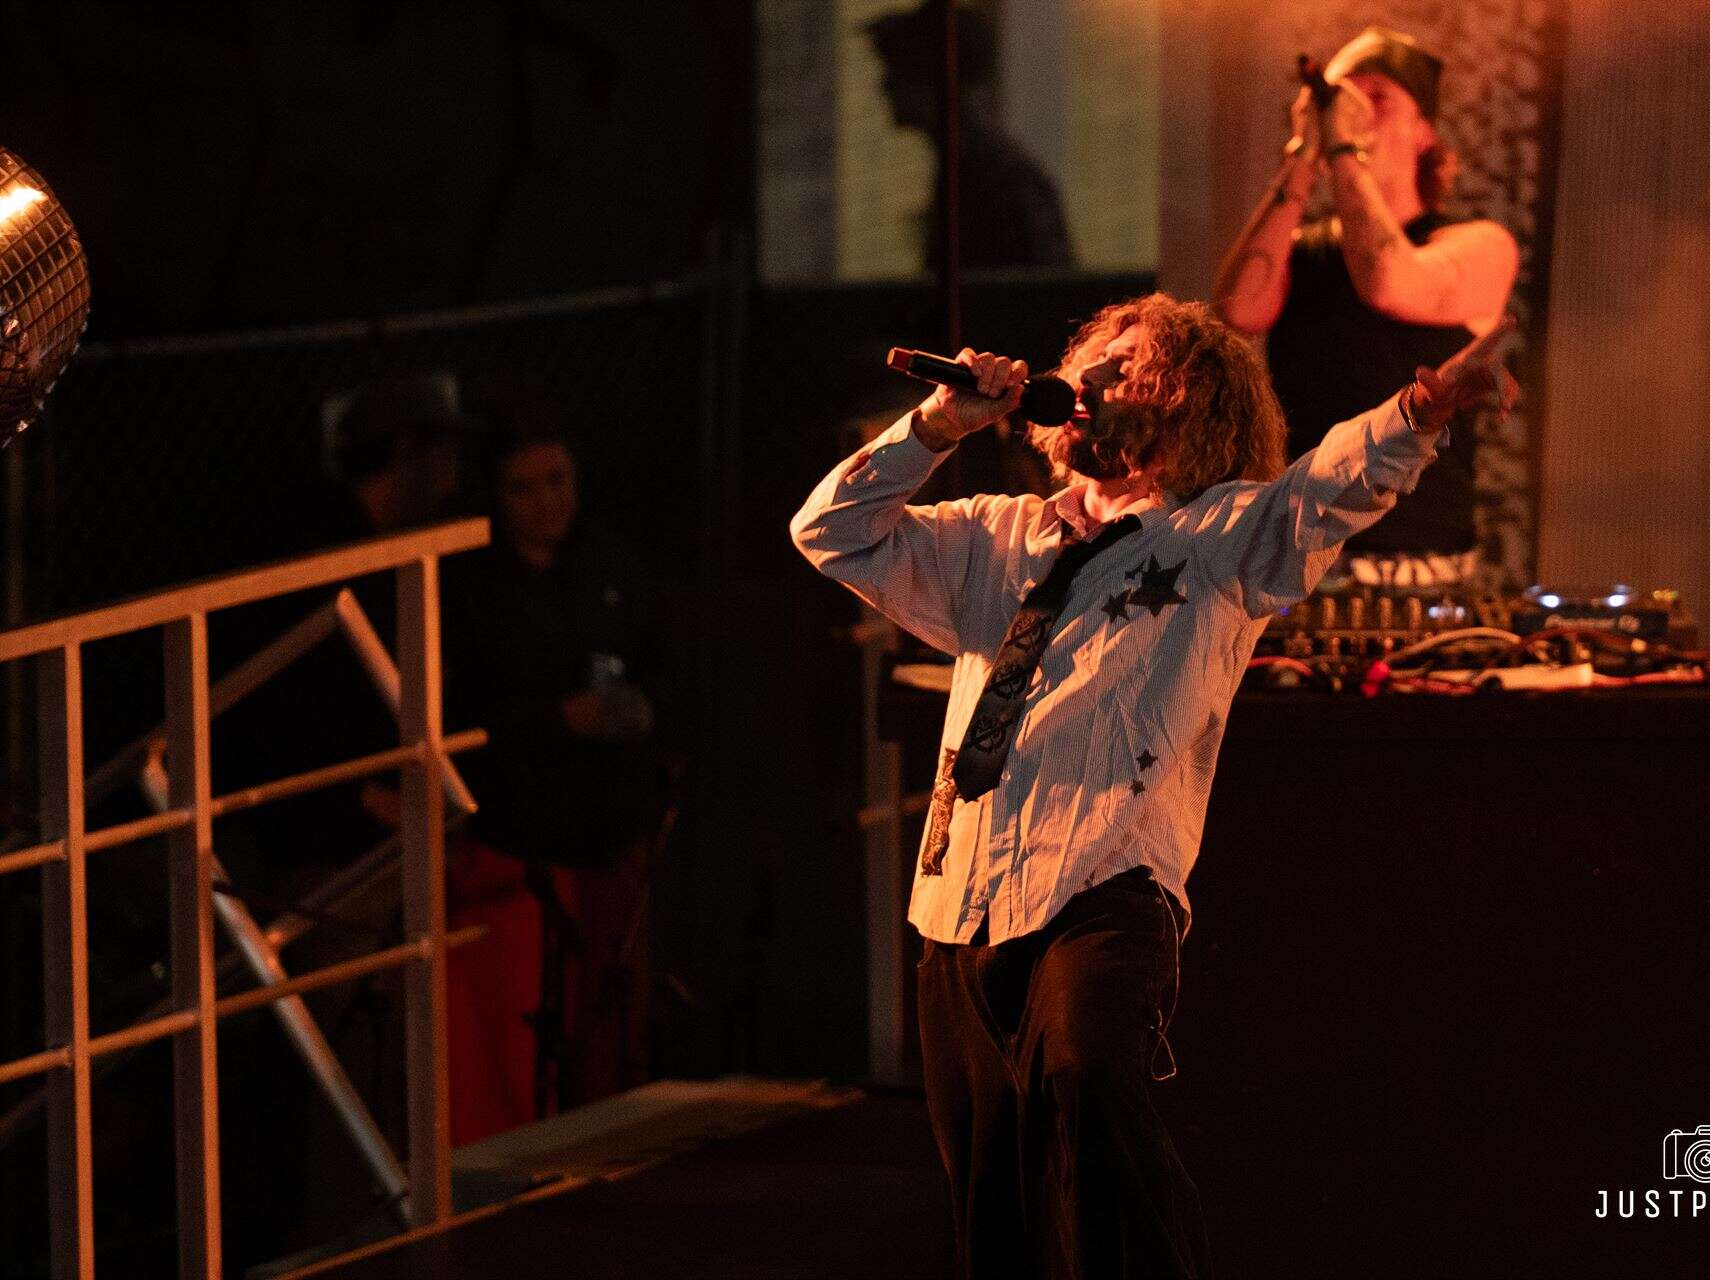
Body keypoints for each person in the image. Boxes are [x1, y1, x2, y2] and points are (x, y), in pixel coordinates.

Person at [790, 292, 1515, 1278]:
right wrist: (937, 426)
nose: (1088, 381)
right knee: (993, 1204)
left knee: (1090, 1096)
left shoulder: (1216, 537)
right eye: (1085, 364)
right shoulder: (994, 536)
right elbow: (830, 531)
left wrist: (1418, 412)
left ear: (1188, 404)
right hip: (958, 901)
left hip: (1102, 885)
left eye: (1123, 368)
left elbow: (1322, 494)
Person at [1213, 26, 1518, 587]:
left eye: (1377, 97)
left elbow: (1388, 283)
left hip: (1417, 567)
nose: (1352, 111)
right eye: (1342, 96)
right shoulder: (1300, 250)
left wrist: (1342, 149)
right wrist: (1304, 154)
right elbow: (1237, 310)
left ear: (1424, 132)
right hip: (1295, 556)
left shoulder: (1479, 245)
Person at [443, 420, 674, 1108]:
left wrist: (642, 709)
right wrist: (556, 719)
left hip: (611, 830)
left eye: (558, 480)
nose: (547, 501)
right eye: (524, 487)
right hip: (515, 842)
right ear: (495, 495)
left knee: (609, 1019)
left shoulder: (611, 566)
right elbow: (458, 715)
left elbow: (667, 666)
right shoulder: (472, 589)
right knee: (514, 1034)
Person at [864, 0, 1073, 273]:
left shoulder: (992, 178)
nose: (885, 87)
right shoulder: (978, 168)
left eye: (898, 73)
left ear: (938, 83)